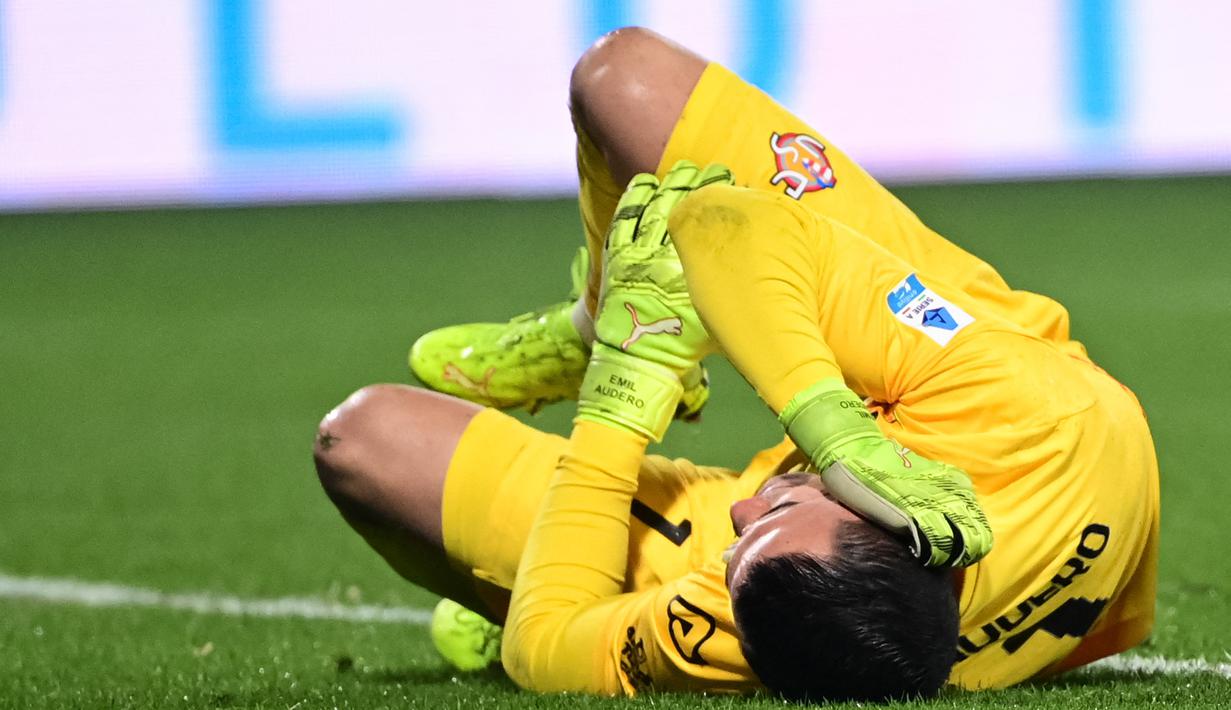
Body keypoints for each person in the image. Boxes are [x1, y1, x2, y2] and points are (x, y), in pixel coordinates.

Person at [313, 27, 1159, 700]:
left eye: (742, 540)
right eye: (778, 514)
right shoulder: (1047, 422)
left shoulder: (780, 612)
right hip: (944, 343)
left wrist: (622, 392)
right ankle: (599, 313)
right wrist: (833, 435)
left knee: (362, 443)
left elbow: (546, 652)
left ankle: (616, 346)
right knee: (625, 81)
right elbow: (725, 222)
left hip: (867, 463)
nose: (748, 507)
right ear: (897, 503)